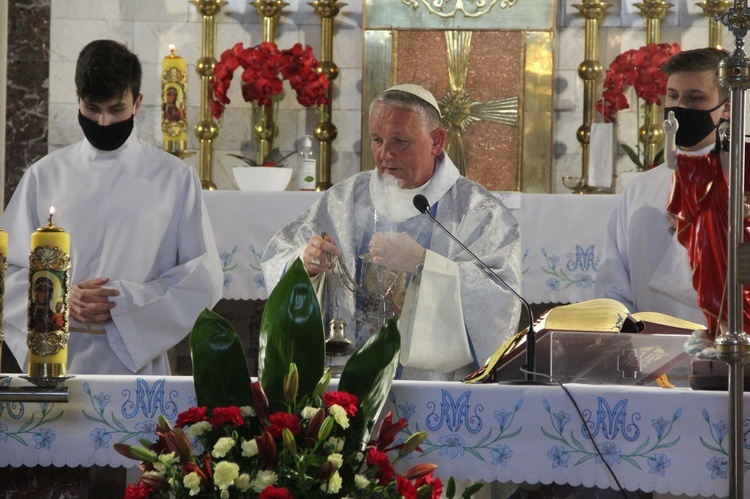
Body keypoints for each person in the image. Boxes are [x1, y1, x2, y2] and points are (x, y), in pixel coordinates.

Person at [262, 84, 522, 381]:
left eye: (400, 141)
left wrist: (423, 262)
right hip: (348, 382)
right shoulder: (343, 201)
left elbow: (499, 298)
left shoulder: (479, 212)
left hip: (432, 384)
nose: (385, 153)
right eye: (377, 139)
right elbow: (277, 257)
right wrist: (306, 264)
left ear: (436, 141)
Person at [1, 39, 224, 375]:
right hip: (61, 358)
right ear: (78, 99)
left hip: (138, 364)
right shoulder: (44, 175)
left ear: (137, 103)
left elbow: (203, 278)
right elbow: (8, 271)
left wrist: (125, 302)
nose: (103, 122)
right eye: (92, 109)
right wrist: (57, 296)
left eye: (116, 109)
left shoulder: (174, 179)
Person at [594, 47, 731, 328]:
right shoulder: (642, 188)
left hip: (723, 352)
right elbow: (614, 277)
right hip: (648, 355)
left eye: (695, 98)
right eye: (673, 96)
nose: (680, 107)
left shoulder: (740, 179)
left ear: (726, 107)